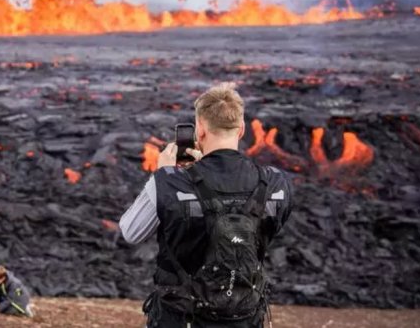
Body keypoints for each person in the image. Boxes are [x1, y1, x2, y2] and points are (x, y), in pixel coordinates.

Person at [120, 82, 293, 328]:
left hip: (180, 318)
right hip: (244, 317)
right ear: (242, 129)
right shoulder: (276, 182)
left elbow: (131, 232)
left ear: (199, 131)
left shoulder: (171, 181)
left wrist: (163, 176)